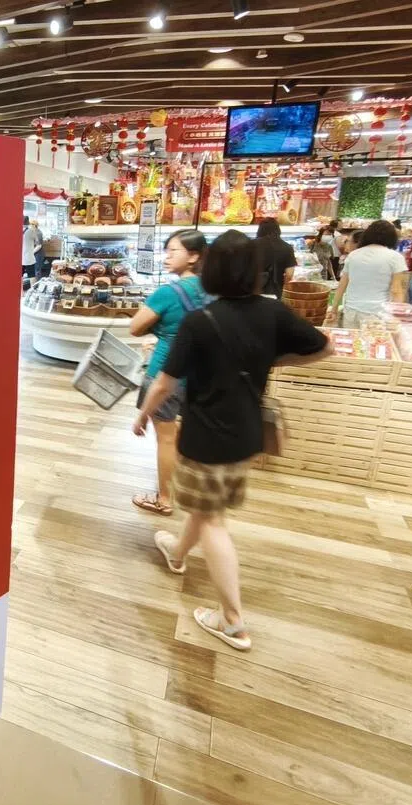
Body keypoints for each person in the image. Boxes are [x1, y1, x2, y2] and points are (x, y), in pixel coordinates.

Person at [133, 230, 332, 650]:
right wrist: (274, 360)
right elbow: (323, 347)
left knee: (213, 520)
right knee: (209, 506)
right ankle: (177, 552)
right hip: (247, 434)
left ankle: (232, 620)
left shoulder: (200, 321)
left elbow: (165, 382)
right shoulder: (272, 311)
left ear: (212, 269)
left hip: (206, 436)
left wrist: (144, 414)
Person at [129, 229, 209, 516]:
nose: (167, 257)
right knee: (184, 433)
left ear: (193, 256)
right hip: (201, 373)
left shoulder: (167, 293)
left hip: (167, 371)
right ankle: (186, 486)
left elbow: (135, 327)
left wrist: (160, 329)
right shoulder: (213, 291)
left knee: (165, 437)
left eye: (173, 251)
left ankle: (164, 498)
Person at [326, 219, 408, 328]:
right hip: (378, 314)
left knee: (352, 338)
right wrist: (397, 316)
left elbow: (342, 285)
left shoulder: (353, 255)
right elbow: (396, 290)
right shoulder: (395, 257)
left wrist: (334, 309)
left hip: (351, 311)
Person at [254, 217, 296, 299]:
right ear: (278, 229)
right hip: (275, 291)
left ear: (260, 230)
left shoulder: (251, 245)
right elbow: (289, 274)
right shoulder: (287, 247)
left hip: (254, 291)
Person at [21, 217, 40, 285]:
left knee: (20, 276)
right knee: (32, 276)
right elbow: (38, 243)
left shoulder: (16, 229)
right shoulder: (31, 231)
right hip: (29, 258)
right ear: (28, 223)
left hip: (20, 258)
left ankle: (21, 291)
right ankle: (32, 290)